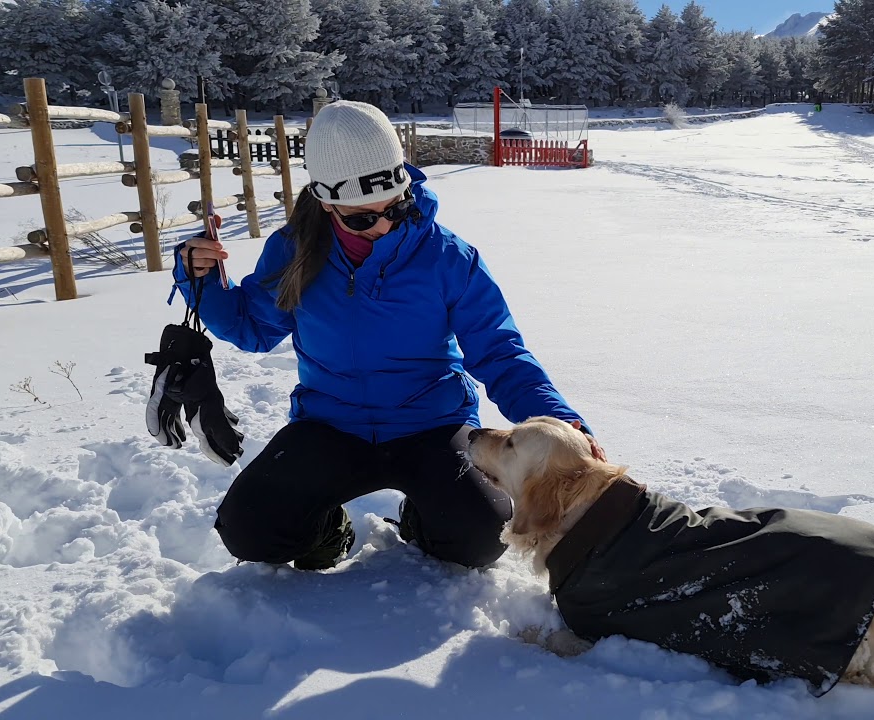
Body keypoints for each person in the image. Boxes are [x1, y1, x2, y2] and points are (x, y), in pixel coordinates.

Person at [171, 100, 603, 571]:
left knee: (480, 538)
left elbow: (500, 352)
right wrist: (203, 280)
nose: (383, 225)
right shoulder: (294, 251)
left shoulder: (447, 257)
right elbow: (251, 329)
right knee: (251, 532)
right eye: (361, 217)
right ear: (326, 200)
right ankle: (328, 532)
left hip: (433, 426)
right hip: (330, 426)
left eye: (396, 207)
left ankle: (420, 520)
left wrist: (560, 419)